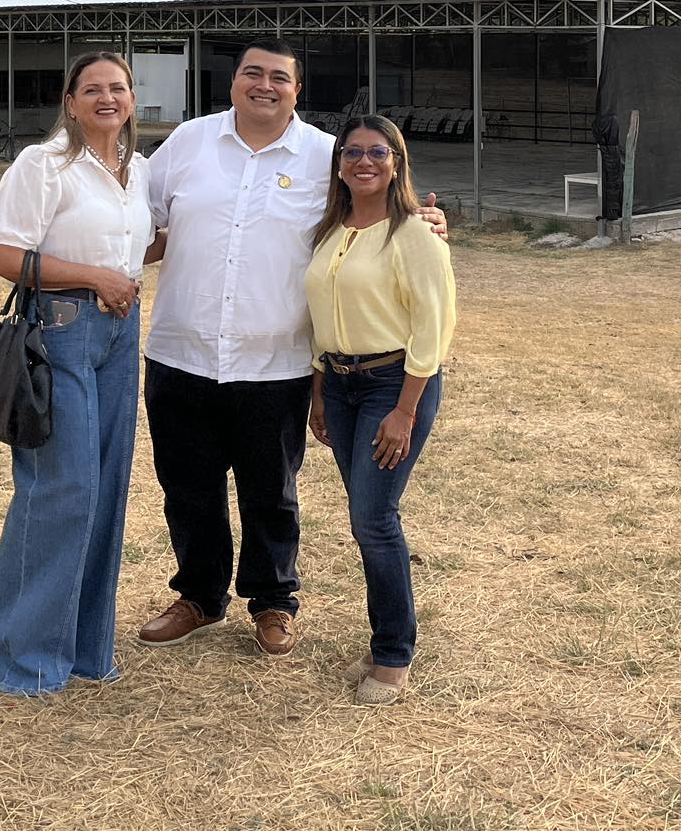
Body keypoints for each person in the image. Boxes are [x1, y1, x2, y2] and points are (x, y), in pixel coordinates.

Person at [138, 40, 444, 660]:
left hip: (275, 361)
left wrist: (426, 224)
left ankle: (273, 601)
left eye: (280, 77)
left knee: (271, 490)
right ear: (233, 82)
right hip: (180, 350)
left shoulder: (323, 157)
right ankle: (198, 596)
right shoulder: (187, 143)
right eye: (253, 72)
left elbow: (375, 205)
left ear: (297, 90)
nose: (265, 85)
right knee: (187, 487)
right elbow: (137, 223)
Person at [0, 51, 161, 695]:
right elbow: (4, 255)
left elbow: (144, 244)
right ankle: (23, 657)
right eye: (93, 89)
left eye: (118, 88)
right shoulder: (44, 165)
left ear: (133, 98)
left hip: (119, 331)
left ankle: (87, 649)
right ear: (71, 99)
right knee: (63, 488)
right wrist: (93, 276)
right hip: (60, 329)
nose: (106, 98)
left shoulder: (138, 171)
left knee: (108, 487)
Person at [306, 116, 457, 706]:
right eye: (352, 152)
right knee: (365, 514)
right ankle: (383, 640)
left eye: (378, 152)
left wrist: (405, 411)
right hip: (339, 386)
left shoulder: (414, 233)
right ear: (339, 163)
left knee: (373, 516)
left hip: (394, 385)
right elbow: (321, 318)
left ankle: (393, 651)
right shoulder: (329, 230)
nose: (363, 162)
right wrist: (318, 394)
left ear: (396, 162)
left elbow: (434, 326)